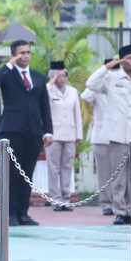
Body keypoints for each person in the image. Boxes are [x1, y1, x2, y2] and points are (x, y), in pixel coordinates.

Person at [86, 45, 131, 225]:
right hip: (117, 134)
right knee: (118, 177)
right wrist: (108, 66)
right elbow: (90, 84)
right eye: (128, 58)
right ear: (122, 60)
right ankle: (120, 211)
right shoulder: (110, 78)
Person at [0, 40, 53, 227]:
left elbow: (45, 107)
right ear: (14, 55)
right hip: (11, 130)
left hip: (33, 131)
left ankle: (23, 213)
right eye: (21, 53)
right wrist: (8, 65)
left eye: (28, 52)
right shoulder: (7, 74)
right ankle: (10, 214)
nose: (25, 56)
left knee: (27, 173)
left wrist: (48, 131)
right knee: (12, 174)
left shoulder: (38, 77)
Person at [45, 61, 83, 211]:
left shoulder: (73, 91)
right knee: (53, 168)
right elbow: (43, 97)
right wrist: (51, 82)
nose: (62, 77)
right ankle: (56, 199)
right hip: (53, 134)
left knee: (67, 166)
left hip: (70, 134)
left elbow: (77, 114)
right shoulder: (48, 90)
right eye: (59, 75)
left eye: (64, 75)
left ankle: (66, 198)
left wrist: (78, 134)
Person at [80, 59, 114, 216]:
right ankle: (106, 203)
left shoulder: (121, 83)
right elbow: (86, 94)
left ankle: (121, 202)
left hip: (119, 136)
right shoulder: (98, 86)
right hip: (101, 136)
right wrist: (103, 72)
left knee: (120, 173)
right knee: (104, 173)